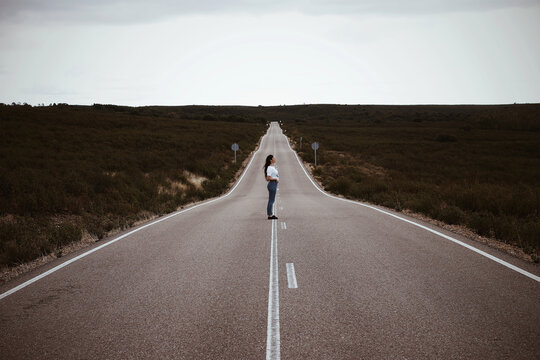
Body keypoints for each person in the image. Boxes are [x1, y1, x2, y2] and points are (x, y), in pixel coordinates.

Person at [264, 154, 279, 220]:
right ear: (271, 160)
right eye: (273, 158)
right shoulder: (269, 168)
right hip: (272, 184)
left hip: (274, 184)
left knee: (271, 200)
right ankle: (270, 215)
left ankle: (270, 214)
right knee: (271, 200)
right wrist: (275, 179)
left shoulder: (272, 167)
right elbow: (268, 178)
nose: (275, 158)